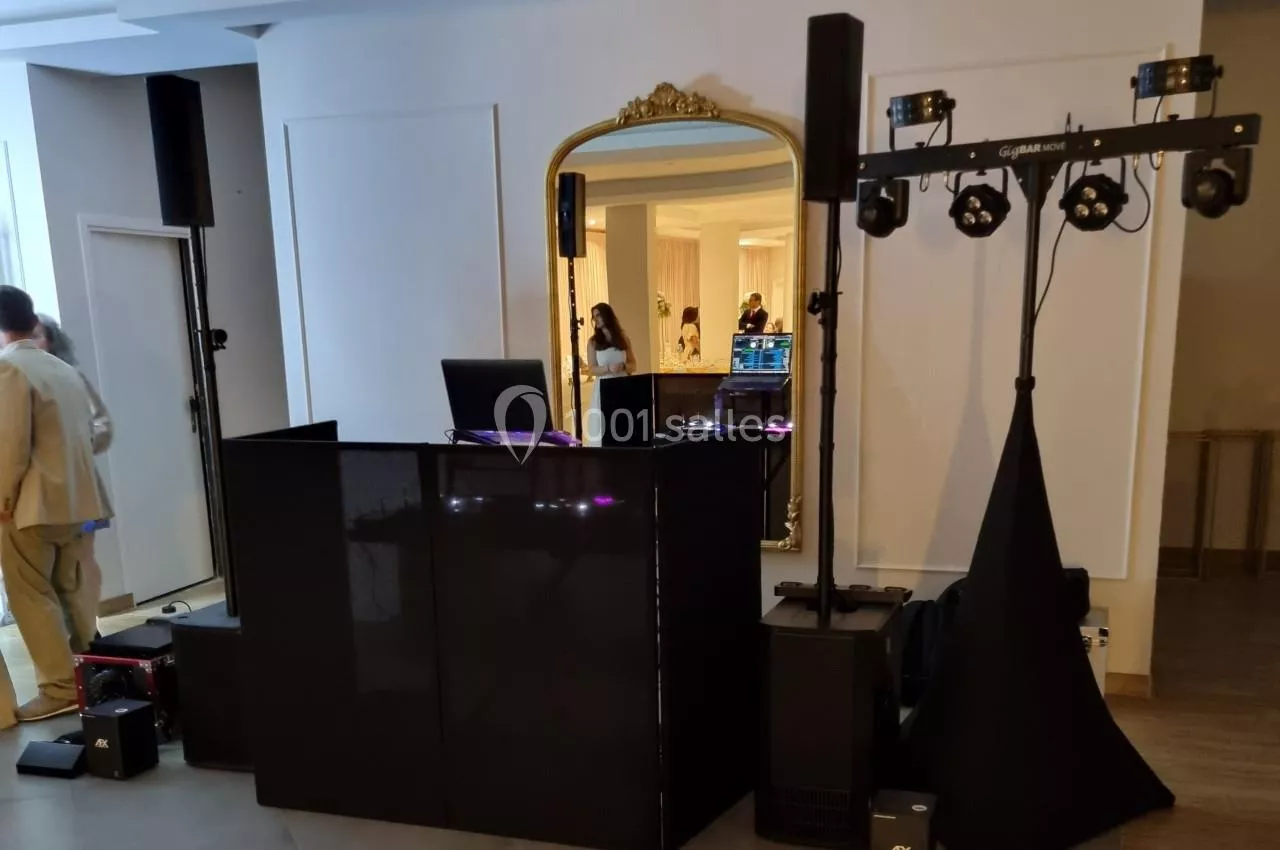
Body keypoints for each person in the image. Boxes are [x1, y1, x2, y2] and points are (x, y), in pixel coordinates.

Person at [0, 287, 111, 724]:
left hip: (31, 506)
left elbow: (10, 446)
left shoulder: (9, 368)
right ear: (32, 321)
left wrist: (2, 499)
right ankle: (91, 673)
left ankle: (61, 688)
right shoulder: (63, 370)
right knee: (73, 589)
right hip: (77, 502)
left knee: (32, 596)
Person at [33, 314, 112, 641]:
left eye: (37, 335)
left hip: (78, 488)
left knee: (80, 566)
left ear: (52, 341)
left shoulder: (71, 376)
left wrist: (73, 446)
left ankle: (88, 635)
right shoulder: (10, 378)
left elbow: (103, 424)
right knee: (45, 576)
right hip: (34, 497)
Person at [584, 302, 635, 446]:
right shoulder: (593, 342)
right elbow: (591, 369)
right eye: (594, 317)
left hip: (623, 385)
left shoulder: (623, 339)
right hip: (604, 386)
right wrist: (607, 368)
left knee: (623, 425)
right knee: (604, 425)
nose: (596, 319)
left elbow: (633, 364)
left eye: (598, 315)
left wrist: (623, 366)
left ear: (607, 316)